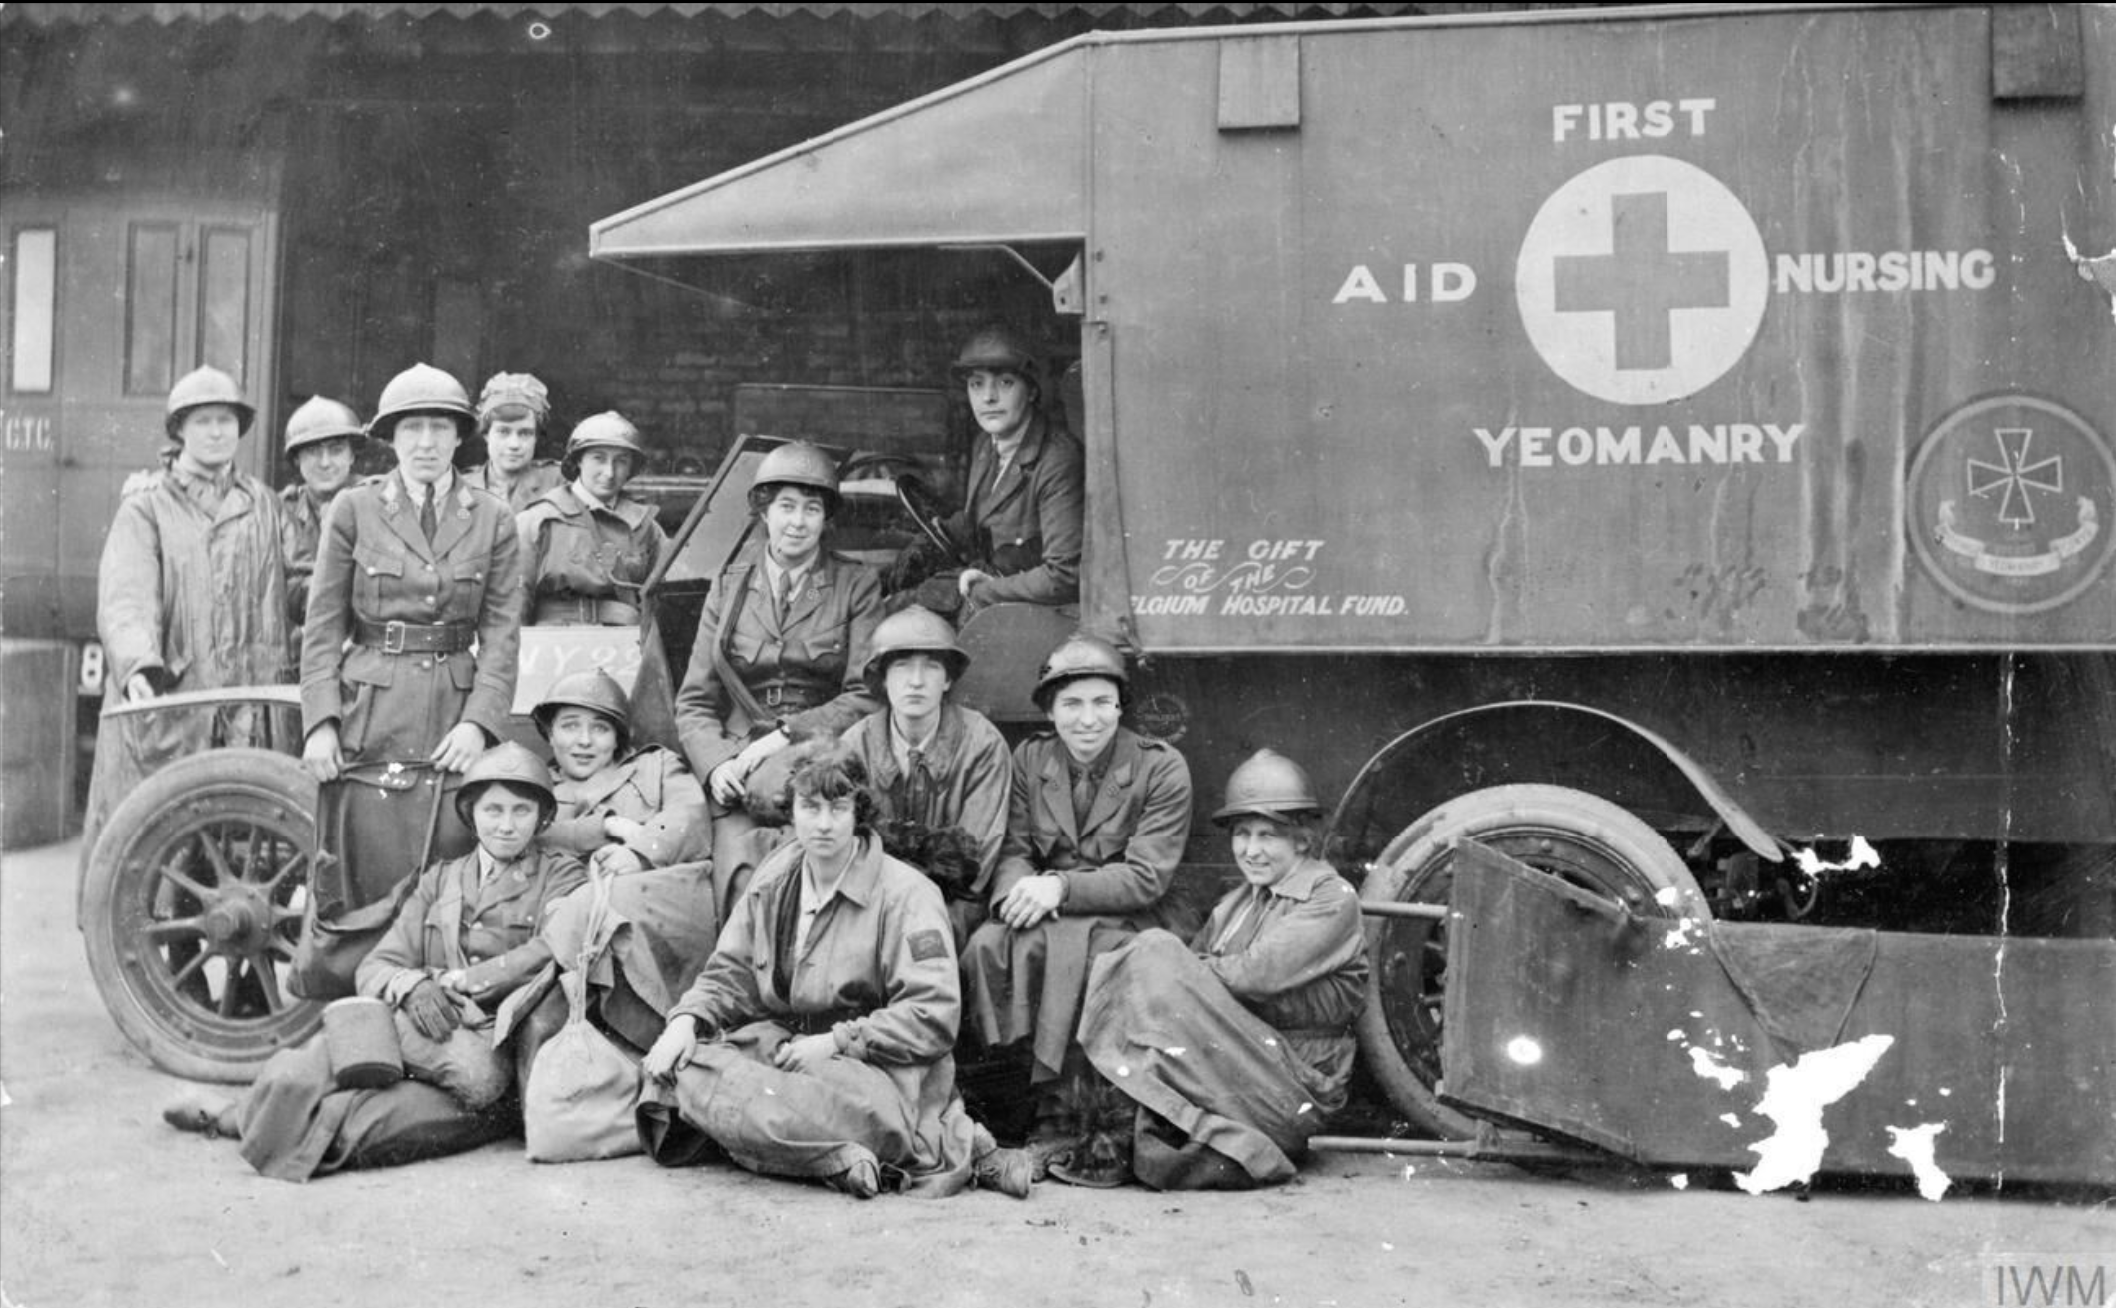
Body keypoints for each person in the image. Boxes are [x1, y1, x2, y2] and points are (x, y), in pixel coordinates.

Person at [159, 744, 588, 1180]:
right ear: (471, 813)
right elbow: (377, 965)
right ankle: (245, 1114)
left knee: (368, 1127)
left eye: (521, 811)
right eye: (493, 810)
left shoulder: (561, 876)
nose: (507, 825)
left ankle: (243, 1118)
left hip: (490, 1061)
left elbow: (552, 948)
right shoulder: (441, 879)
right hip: (420, 1033)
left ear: (542, 818)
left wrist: (462, 981)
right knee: (320, 1067)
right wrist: (412, 986)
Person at [637, 742, 1031, 1199]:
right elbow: (732, 970)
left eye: (838, 808)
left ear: (858, 813)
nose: (823, 824)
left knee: (807, 1102)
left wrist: (836, 1042)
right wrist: (686, 1021)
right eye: (810, 807)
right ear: (791, 810)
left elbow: (933, 1014)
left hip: (874, 1070)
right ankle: (833, 1154)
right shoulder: (775, 876)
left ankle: (829, 1149)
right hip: (785, 1053)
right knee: (679, 1069)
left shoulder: (907, 893)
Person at [1075, 750, 1368, 1190]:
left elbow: (1255, 975)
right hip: (1243, 1063)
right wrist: (1181, 971)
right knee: (1144, 960)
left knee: (1154, 950)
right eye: (1242, 835)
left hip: (1297, 1085)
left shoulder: (1330, 897)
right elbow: (1193, 980)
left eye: (1268, 836)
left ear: (1301, 840)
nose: (1251, 851)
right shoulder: (1236, 903)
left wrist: (1183, 969)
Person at [956, 632, 1193, 1144]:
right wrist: (1015, 896)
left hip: (1128, 913)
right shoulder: (1031, 759)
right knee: (986, 947)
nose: (1088, 720)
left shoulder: (1160, 766)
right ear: (1049, 710)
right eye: (1072, 704)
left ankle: (1077, 1112)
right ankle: (1011, 1102)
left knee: (1084, 958)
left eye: (1102, 703)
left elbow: (1146, 877)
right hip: (1049, 907)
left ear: (1120, 706)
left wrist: (1059, 888)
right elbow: (1015, 848)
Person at [83, 365, 290, 868]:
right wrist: (137, 666)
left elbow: (301, 583)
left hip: (244, 700)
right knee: (153, 845)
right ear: (179, 429)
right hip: (173, 699)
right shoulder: (146, 506)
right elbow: (127, 597)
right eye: (203, 421)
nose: (217, 432)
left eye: (226, 420)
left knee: (234, 848)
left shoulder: (263, 504)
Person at [674, 440, 883, 917]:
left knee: (814, 873)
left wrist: (785, 736)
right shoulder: (729, 584)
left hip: (821, 754)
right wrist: (717, 766)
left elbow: (866, 695)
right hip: (737, 763)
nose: (798, 522)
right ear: (763, 512)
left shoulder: (856, 585)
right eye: (786, 506)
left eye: (812, 509)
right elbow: (694, 702)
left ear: (825, 519)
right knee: (738, 878)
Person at [299, 363, 524, 782]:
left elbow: (502, 637)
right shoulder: (354, 509)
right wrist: (321, 723)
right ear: (391, 437)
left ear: (459, 436)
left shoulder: (493, 517)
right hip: (367, 714)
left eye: (439, 428)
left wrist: (478, 724)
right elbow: (323, 629)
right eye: (411, 428)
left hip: (455, 722)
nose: (426, 443)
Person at [510, 668, 716, 1072]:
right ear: (549, 733)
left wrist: (639, 853)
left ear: (618, 736)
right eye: (570, 726)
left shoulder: (656, 765)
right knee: (541, 1025)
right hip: (569, 935)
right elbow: (523, 837)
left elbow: (689, 817)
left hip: (655, 918)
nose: (585, 741)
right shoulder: (536, 786)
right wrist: (605, 827)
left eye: (600, 728)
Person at [838, 605, 1011, 944]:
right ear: (883, 678)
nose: (916, 682)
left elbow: (974, 862)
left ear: (948, 680)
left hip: (954, 905)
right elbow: (847, 850)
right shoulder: (856, 745)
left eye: (931, 667)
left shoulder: (982, 744)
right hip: (872, 903)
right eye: (902, 666)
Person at [891, 325, 1084, 617]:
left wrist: (984, 591)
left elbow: (1064, 576)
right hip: (991, 586)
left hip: (1029, 611)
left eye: (1005, 383)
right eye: (976, 384)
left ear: (1032, 390)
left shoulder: (1057, 459)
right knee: (877, 595)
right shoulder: (986, 444)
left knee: (891, 622)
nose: (988, 397)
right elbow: (981, 517)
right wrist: (929, 541)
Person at [516, 411, 668, 626]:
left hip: (626, 641)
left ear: (631, 468)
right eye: (599, 458)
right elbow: (513, 607)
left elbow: (664, 602)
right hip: (553, 641)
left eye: (621, 461)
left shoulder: (645, 527)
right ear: (578, 460)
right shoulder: (538, 521)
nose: (609, 472)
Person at [278, 395, 364, 629]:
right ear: (297, 459)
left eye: (336, 450)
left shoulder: (378, 504)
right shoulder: (280, 512)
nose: (325, 462)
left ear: (352, 455)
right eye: (313, 451)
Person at [465, 371, 563, 511]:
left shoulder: (557, 483)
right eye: (503, 432)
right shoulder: (462, 487)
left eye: (525, 433)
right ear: (486, 434)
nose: (514, 444)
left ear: (536, 437)